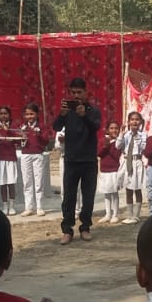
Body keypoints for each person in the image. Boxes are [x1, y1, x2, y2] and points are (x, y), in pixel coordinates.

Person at [52, 77, 102, 244]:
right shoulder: (67, 111)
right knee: (69, 198)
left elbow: (96, 127)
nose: (76, 95)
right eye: (73, 92)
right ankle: (67, 230)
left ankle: (85, 227)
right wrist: (62, 115)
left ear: (86, 93)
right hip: (71, 160)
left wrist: (84, 115)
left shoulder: (93, 111)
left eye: (79, 92)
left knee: (88, 197)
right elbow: (56, 127)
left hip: (88, 160)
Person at [19, 104, 50, 217]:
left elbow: (46, 141)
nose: (29, 116)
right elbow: (18, 142)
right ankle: (29, 207)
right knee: (27, 182)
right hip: (25, 155)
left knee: (38, 181)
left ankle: (39, 207)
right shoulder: (22, 127)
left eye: (32, 113)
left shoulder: (42, 126)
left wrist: (39, 135)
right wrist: (21, 136)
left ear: (37, 114)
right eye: (27, 114)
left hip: (38, 155)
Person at [0, 106, 21, 216]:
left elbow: (19, 139)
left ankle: (12, 206)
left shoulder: (14, 126)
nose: (3, 116)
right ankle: (4, 206)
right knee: (2, 184)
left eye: (6, 113)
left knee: (11, 183)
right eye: (1, 114)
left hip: (10, 158)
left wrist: (8, 132)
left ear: (9, 115)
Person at [119, 111, 147, 225]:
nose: (134, 121)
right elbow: (118, 146)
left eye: (137, 119)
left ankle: (136, 215)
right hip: (127, 162)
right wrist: (121, 135)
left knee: (137, 188)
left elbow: (144, 147)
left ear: (140, 122)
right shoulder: (126, 135)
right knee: (128, 189)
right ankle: (129, 215)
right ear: (129, 122)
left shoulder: (142, 134)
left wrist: (138, 139)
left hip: (137, 162)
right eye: (132, 119)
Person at [97, 119, 124, 224]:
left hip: (114, 170)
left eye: (116, 128)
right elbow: (99, 153)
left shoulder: (119, 141)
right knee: (106, 192)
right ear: (107, 130)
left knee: (114, 192)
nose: (114, 130)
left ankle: (115, 214)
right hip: (104, 169)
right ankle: (107, 213)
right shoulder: (102, 140)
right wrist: (105, 146)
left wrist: (110, 146)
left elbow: (116, 155)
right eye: (111, 128)